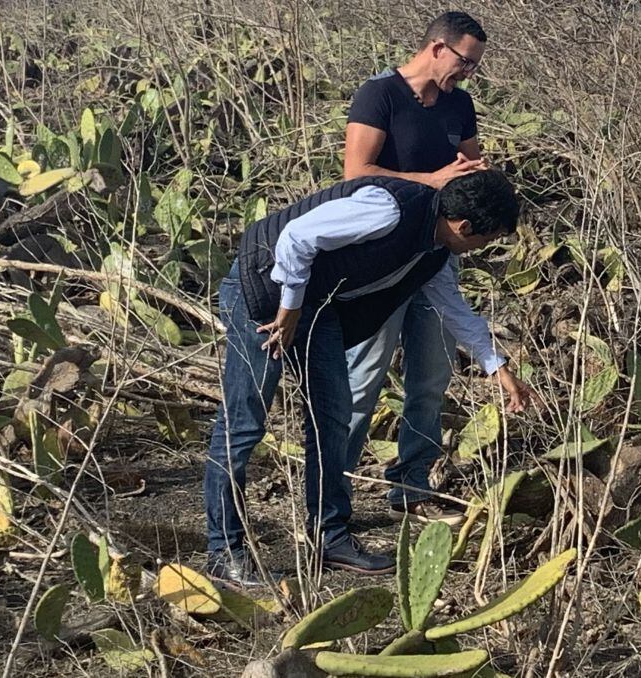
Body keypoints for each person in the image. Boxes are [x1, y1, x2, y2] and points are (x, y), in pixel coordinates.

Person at [204, 170, 520, 585]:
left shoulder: (437, 250)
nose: (484, 248)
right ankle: (224, 552)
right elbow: (296, 238)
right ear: (464, 226)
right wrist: (289, 307)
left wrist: (495, 364)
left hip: (315, 307)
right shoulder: (387, 209)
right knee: (244, 423)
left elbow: (453, 308)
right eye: (487, 238)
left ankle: (329, 536)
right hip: (262, 291)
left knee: (333, 417)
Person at [342, 11, 535, 526]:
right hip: (383, 252)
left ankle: (410, 484)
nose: (468, 73)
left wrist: (484, 189)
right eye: (464, 61)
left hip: (437, 251)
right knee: (362, 379)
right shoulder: (378, 95)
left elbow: (471, 166)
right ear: (436, 47)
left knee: (431, 377)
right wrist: (432, 179)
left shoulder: (459, 104)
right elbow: (355, 173)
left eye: (474, 66)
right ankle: (330, 492)